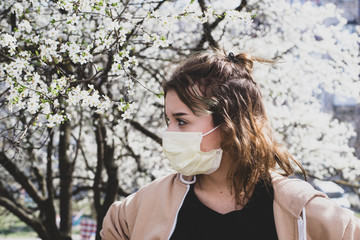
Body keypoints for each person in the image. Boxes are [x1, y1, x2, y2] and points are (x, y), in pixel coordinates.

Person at [100, 50, 360, 240]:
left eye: (181, 121)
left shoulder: (299, 209)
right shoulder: (142, 207)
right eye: (168, 120)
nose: (168, 133)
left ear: (229, 123)